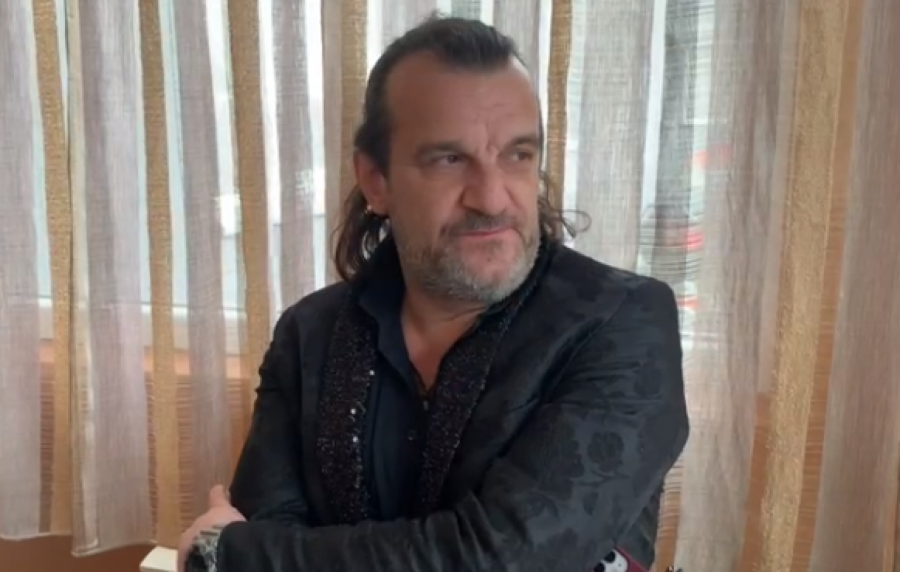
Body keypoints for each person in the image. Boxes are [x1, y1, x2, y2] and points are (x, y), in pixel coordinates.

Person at [179, 15, 689, 572]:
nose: (491, 198)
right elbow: (269, 529)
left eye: (518, 154)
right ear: (376, 181)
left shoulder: (623, 323)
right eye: (449, 160)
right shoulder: (308, 335)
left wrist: (230, 552)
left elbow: (508, 559)